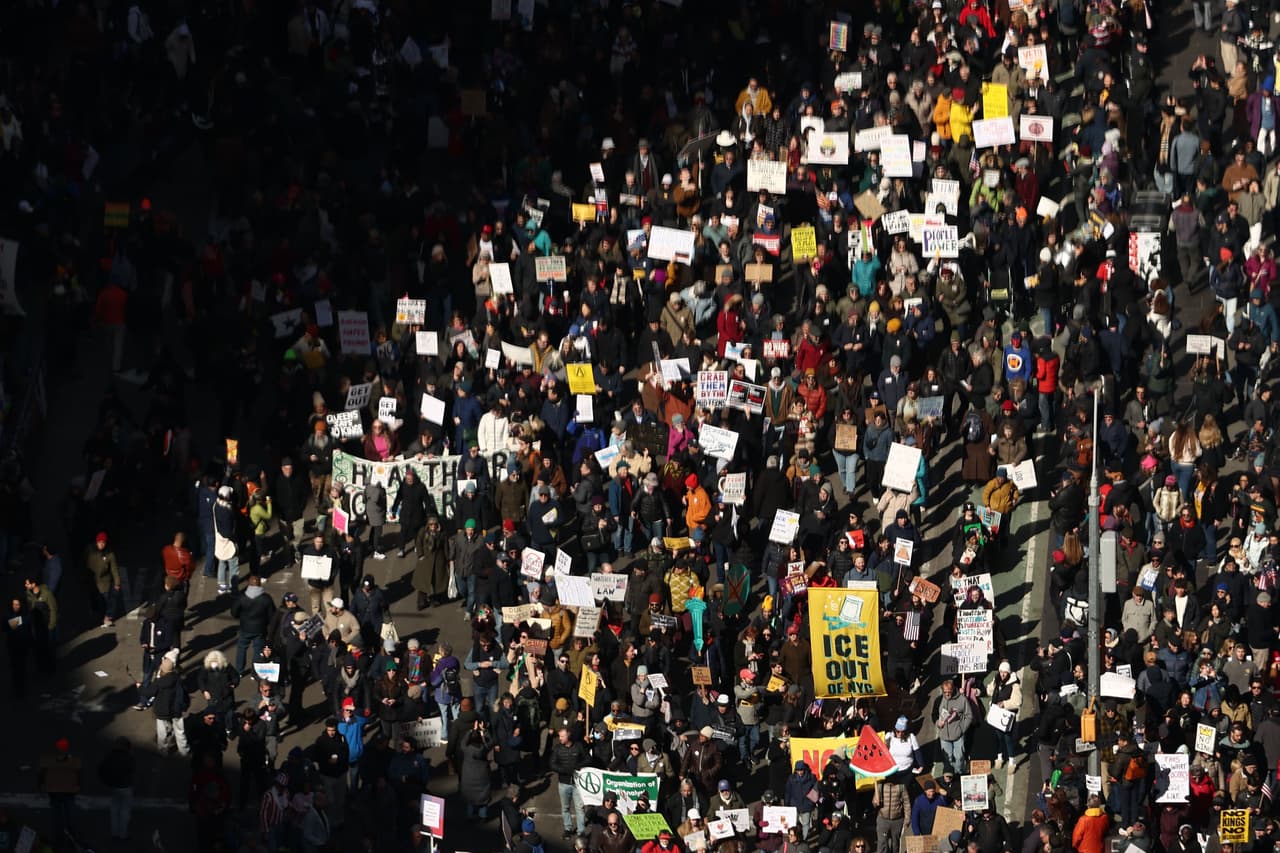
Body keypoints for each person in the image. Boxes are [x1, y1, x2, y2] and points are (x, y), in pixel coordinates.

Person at [97, 737, 135, 842]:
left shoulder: (110, 756)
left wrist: (106, 782)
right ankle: (123, 835)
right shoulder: (129, 757)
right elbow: (132, 770)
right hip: (126, 787)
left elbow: (101, 768)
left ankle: (114, 834)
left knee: (114, 810)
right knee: (125, 812)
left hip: (114, 786)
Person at [85, 531, 122, 628]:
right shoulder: (90, 551)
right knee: (96, 602)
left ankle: (107, 617)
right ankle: (97, 617)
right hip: (92, 582)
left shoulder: (109, 554)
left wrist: (117, 582)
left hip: (104, 582)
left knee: (108, 600)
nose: (101, 544)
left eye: (103, 542)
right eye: (99, 542)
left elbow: (114, 569)